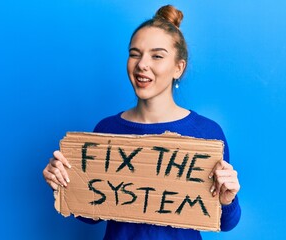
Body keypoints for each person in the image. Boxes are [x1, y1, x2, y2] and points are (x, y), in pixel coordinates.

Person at [43, 5, 241, 240]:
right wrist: (64, 184)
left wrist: (227, 198)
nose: (142, 64)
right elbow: (90, 215)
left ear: (178, 68)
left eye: (157, 56)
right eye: (135, 53)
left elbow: (225, 222)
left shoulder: (207, 134)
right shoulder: (107, 130)